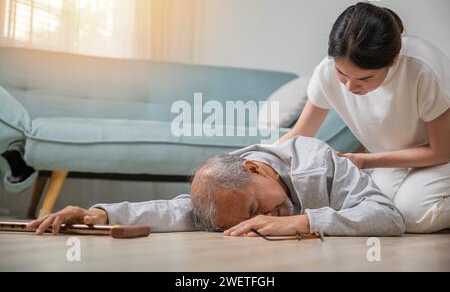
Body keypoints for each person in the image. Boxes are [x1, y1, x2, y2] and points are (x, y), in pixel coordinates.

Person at [275, 2, 450, 233]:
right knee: (379, 210)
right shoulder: (326, 71)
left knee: (412, 215)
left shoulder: (421, 68)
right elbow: (300, 133)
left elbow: (441, 151)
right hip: (398, 157)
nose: (349, 86)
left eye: (365, 79)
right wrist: (261, 158)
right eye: (341, 73)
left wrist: (366, 161)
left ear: (394, 59)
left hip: (442, 155)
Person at [27, 137, 405, 237]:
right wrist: (97, 215)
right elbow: (176, 210)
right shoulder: (228, 191)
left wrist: (300, 222)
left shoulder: (319, 164)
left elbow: (389, 217)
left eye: (256, 208)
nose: (262, 219)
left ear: (258, 169)